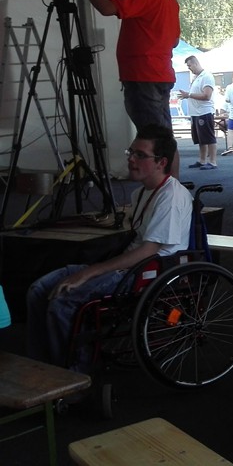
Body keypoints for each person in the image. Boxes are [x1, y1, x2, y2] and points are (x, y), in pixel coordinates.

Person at [26, 125, 192, 370]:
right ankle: (44, 366)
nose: (131, 159)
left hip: (147, 273)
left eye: (140, 155)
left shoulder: (171, 197)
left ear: (161, 162)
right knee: (38, 290)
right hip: (129, 266)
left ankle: (75, 375)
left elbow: (148, 251)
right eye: (131, 152)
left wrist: (90, 272)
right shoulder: (141, 193)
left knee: (63, 302)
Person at [62, 0, 181, 176]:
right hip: (157, 75)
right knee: (163, 138)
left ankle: (165, 190)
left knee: (154, 141)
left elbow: (107, 7)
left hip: (143, 76)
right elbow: (175, 40)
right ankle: (170, 188)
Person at [180, 56, 217, 170]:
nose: (189, 68)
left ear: (195, 64)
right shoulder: (196, 77)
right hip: (196, 113)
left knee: (209, 137)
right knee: (201, 139)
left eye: (189, 65)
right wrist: (188, 95)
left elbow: (207, 96)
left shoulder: (206, 76)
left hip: (204, 112)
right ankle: (202, 160)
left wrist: (189, 95)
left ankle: (212, 162)